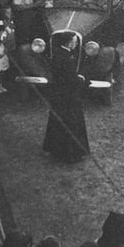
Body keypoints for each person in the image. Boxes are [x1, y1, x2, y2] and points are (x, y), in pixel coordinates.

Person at [42, 30, 90, 163]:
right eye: (74, 42)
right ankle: (70, 154)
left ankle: (55, 149)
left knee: (57, 121)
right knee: (71, 122)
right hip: (68, 95)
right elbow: (70, 77)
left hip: (58, 94)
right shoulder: (67, 57)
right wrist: (82, 79)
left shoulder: (58, 54)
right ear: (69, 43)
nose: (75, 44)